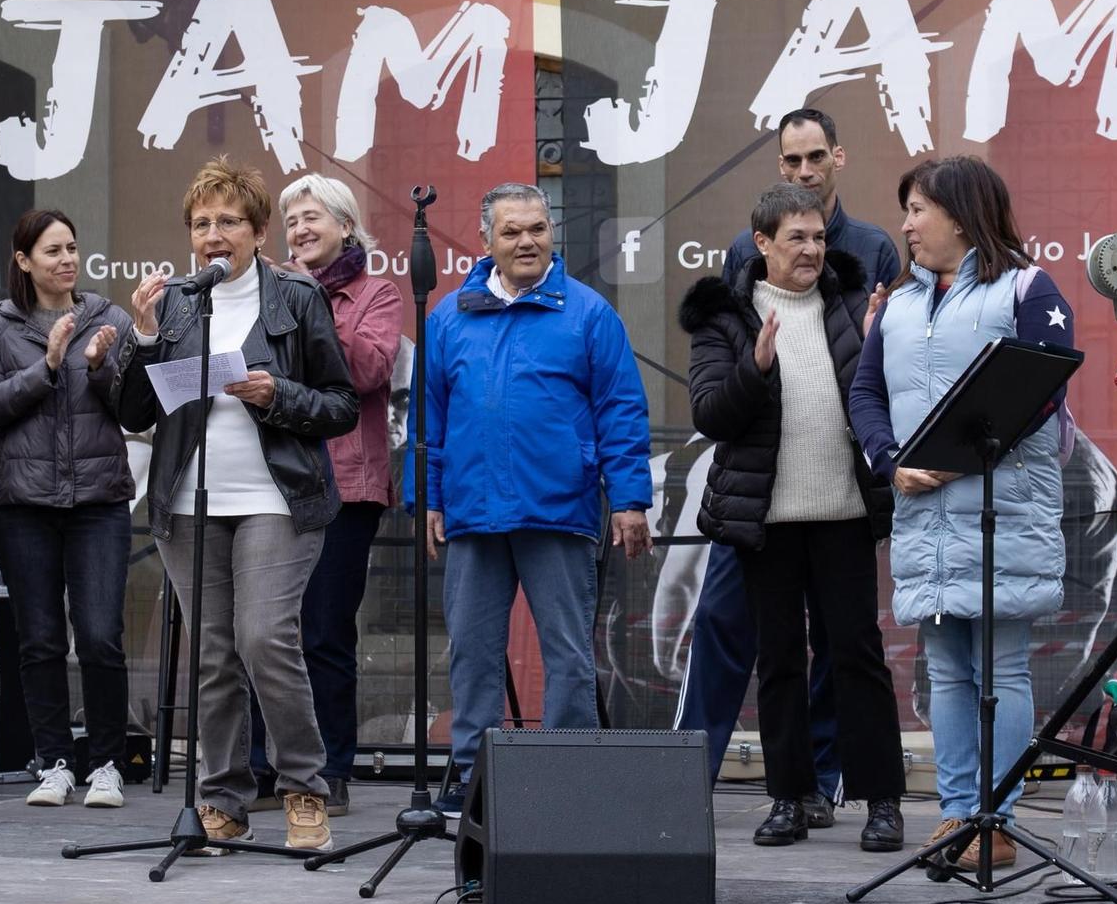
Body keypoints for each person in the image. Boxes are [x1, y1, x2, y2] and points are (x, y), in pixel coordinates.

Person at [117, 158, 358, 852]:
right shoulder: (178, 302)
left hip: (275, 497)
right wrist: (139, 335)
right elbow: (133, 409)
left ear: (257, 231)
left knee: (263, 637)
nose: (214, 234)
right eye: (201, 223)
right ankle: (220, 798)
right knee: (214, 653)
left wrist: (275, 395)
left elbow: (340, 404)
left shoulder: (296, 296)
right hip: (190, 500)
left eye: (228, 221)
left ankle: (304, 786)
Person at [849, 155, 1077, 871]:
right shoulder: (898, 306)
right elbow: (865, 395)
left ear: (959, 211)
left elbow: (1043, 382)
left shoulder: (1026, 286)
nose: (907, 224)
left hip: (1000, 510)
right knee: (945, 671)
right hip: (926, 512)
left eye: (917, 208)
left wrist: (965, 453)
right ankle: (956, 814)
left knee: (1001, 670)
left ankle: (997, 818)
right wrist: (891, 463)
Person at [685, 106, 904, 826]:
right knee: (775, 660)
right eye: (795, 237)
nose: (809, 248)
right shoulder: (729, 312)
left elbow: (880, 385)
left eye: (816, 236)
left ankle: (880, 798)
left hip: (841, 512)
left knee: (856, 656)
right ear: (760, 245)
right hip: (764, 518)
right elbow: (714, 410)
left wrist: (878, 345)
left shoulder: (853, 290)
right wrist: (754, 366)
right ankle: (791, 794)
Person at [414, 182, 654, 814]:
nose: (527, 241)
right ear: (486, 239)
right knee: (472, 653)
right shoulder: (448, 316)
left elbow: (621, 412)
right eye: (512, 231)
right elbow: (428, 421)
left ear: (553, 232)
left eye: (538, 229)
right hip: (471, 512)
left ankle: (565, 778)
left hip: (560, 509)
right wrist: (428, 499)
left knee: (567, 654)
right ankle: (473, 781)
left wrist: (629, 499)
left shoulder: (589, 313)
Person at [245, 175, 404, 817]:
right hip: (272, 482)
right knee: (263, 632)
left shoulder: (377, 294)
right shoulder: (267, 293)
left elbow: (368, 368)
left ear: (345, 224)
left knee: (324, 631)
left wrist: (312, 303)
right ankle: (263, 769)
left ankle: (332, 769)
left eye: (312, 218)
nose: (300, 231)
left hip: (345, 486)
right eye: (292, 222)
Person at [0, 211, 135, 809]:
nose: (66, 259)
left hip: (98, 501)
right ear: (23, 261)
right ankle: (55, 762)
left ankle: (108, 763)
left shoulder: (109, 318)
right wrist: (48, 367)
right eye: (52, 251)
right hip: (21, 504)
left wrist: (99, 367)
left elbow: (135, 410)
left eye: (72, 247)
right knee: (38, 639)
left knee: (99, 636)